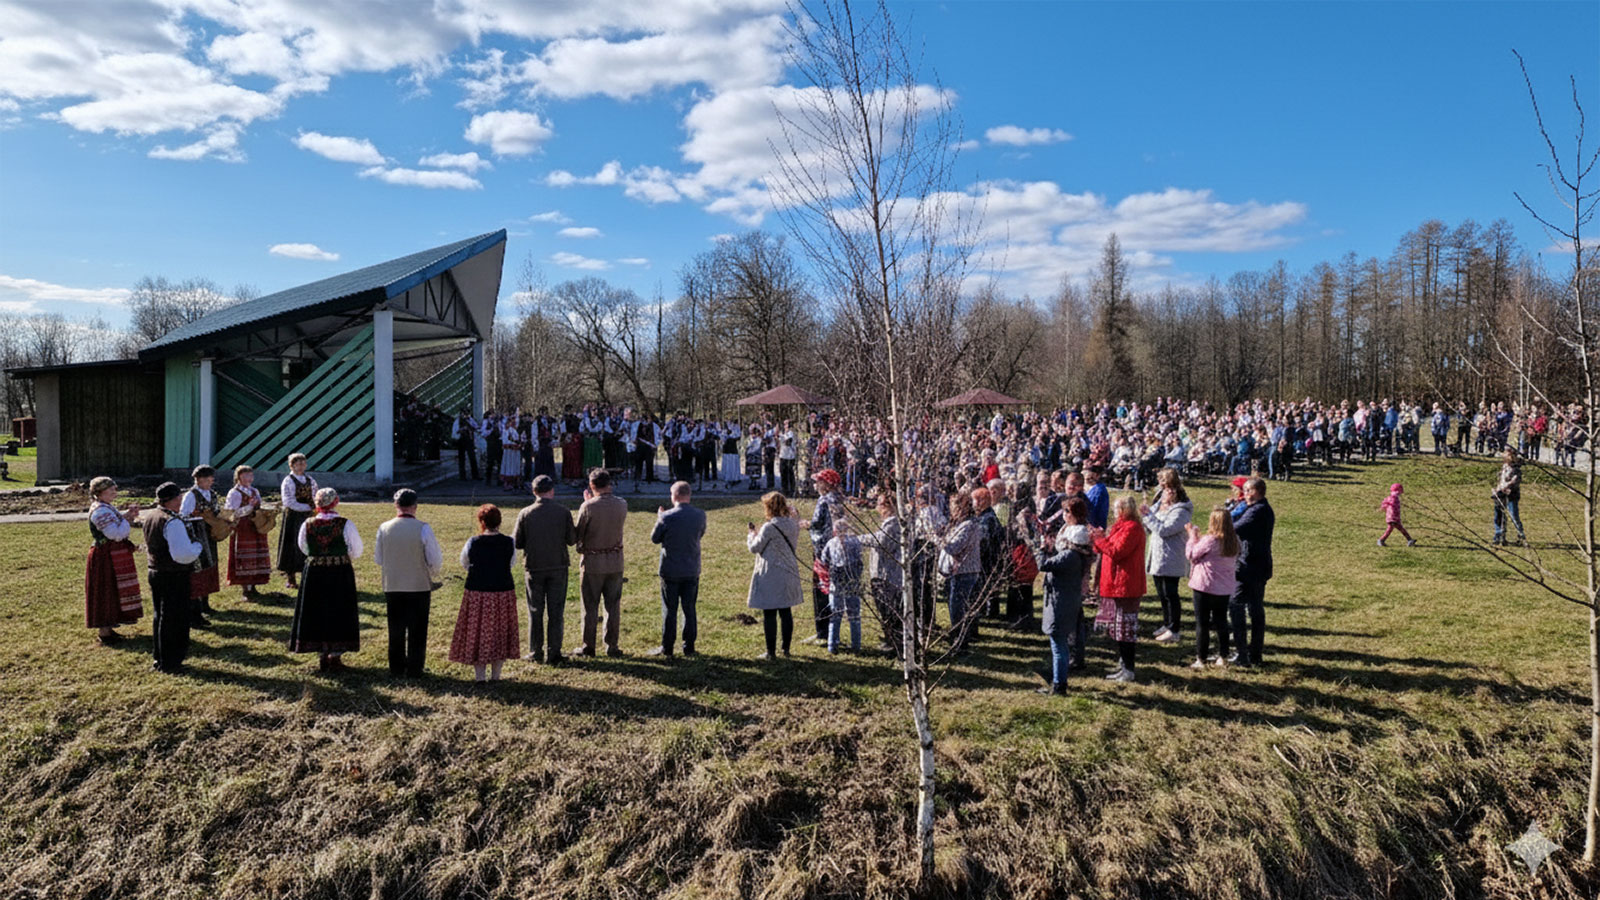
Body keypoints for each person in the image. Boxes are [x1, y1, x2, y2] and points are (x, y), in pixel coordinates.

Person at [287, 487, 364, 672]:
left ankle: (321, 653)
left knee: (317, 609)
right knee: (339, 609)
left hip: (314, 571)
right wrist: (339, 556)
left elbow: (303, 547)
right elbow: (356, 549)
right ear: (336, 502)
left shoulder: (308, 524)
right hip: (339, 570)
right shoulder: (345, 524)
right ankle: (335, 656)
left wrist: (319, 555)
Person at [374, 488, 443, 677]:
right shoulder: (423, 528)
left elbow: (379, 558)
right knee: (417, 629)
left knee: (395, 628)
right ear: (415, 506)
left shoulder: (384, 527)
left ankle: (396, 667)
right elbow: (435, 559)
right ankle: (415, 667)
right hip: (418, 585)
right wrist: (432, 572)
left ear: (395, 506)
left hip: (393, 583)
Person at [450, 504, 521, 682]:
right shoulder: (509, 542)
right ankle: (496, 676)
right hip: (502, 592)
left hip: (477, 592)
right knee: (500, 632)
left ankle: (480, 677)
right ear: (499, 521)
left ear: (481, 522)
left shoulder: (472, 542)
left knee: (477, 632)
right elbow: (511, 563)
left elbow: (465, 563)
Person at [512, 474, 577, 664]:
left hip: (534, 567)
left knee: (535, 610)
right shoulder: (563, 511)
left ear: (534, 492)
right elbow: (572, 540)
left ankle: (535, 651)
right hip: (558, 566)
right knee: (556, 611)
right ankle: (554, 652)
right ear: (552, 491)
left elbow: (517, 542)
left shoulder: (525, 513)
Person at [143, 482, 202, 673]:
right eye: (179, 497)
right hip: (173, 574)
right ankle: (171, 661)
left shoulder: (151, 515)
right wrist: (198, 547)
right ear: (174, 499)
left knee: (159, 616)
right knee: (174, 618)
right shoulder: (172, 521)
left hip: (156, 571)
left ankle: (159, 657)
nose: (181, 500)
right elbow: (182, 554)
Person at [1034, 499, 1090, 695]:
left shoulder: (1071, 554)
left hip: (1061, 600)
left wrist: (1041, 549)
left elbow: (1045, 565)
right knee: (1059, 643)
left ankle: (1059, 685)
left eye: (1067, 512)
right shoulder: (1073, 551)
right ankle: (1057, 678)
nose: (1064, 515)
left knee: (1058, 643)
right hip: (1064, 598)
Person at [1092, 495, 1147, 683]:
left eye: (1116, 509)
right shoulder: (1120, 528)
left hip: (1126, 584)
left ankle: (1129, 668)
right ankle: (1123, 664)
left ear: (1124, 510)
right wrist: (1099, 539)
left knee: (1125, 629)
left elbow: (1117, 552)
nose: (1114, 513)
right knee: (1118, 628)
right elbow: (1106, 548)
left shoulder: (1132, 528)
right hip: (1116, 582)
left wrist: (1099, 539)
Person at [649, 481, 707, 658]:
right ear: (689, 495)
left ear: (673, 496)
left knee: (670, 610)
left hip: (671, 568)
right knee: (689, 609)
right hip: (691, 567)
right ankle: (689, 647)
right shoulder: (700, 515)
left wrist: (660, 517)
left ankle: (667, 648)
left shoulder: (666, 517)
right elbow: (700, 534)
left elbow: (655, 538)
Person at [574, 467, 628, 657]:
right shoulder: (622, 504)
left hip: (593, 563)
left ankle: (588, 646)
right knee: (613, 606)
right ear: (610, 484)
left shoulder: (588, 507)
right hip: (615, 562)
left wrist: (587, 503)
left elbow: (577, 534)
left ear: (591, 485)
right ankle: (611, 645)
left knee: (590, 606)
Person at [85, 476, 142, 645]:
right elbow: (115, 534)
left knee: (113, 590)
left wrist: (128, 516)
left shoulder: (105, 507)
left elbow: (116, 526)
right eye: (111, 491)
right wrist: (126, 519)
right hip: (104, 556)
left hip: (110, 555)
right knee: (105, 590)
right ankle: (104, 631)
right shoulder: (100, 511)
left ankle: (109, 628)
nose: (114, 493)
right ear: (100, 492)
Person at [747, 491, 804, 659]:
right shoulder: (793, 524)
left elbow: (755, 548)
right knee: (786, 611)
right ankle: (785, 649)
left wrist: (751, 536)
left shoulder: (769, 527)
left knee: (770, 612)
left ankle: (771, 652)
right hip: (788, 570)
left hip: (771, 571)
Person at [1142, 468, 1193, 645]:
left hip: (1171, 556)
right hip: (1157, 554)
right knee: (1161, 593)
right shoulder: (1160, 504)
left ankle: (1175, 628)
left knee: (1171, 593)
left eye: (1169, 490)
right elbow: (1150, 519)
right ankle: (1166, 624)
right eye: (1164, 490)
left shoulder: (1181, 510)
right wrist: (1148, 513)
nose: (1165, 492)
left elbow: (1165, 530)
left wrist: (1148, 516)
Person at [1229, 477, 1275, 668]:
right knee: (1254, 608)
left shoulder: (1258, 511)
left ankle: (1245, 653)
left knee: (1238, 605)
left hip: (1251, 566)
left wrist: (1225, 518)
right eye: (1245, 490)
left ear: (1258, 491)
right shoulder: (1255, 508)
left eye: (1248, 491)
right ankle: (1252, 653)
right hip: (1254, 563)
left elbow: (1235, 528)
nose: (1245, 494)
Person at [1184, 506, 1238, 669]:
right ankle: (1223, 656)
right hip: (1224, 587)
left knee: (1202, 623)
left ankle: (1201, 658)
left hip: (1205, 585)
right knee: (1221, 621)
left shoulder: (1210, 540)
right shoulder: (1234, 541)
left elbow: (1192, 554)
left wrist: (1192, 536)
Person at [859, 492, 904, 657]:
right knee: (885, 611)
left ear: (887, 506)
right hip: (884, 573)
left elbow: (881, 541)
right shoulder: (889, 523)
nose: (876, 507)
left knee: (890, 611)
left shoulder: (892, 524)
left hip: (888, 575)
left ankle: (897, 646)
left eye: (879, 503)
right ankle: (890, 640)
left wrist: (858, 539)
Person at [938, 490, 982, 654]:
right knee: (956, 607)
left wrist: (937, 538)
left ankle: (961, 643)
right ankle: (958, 636)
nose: (952, 511)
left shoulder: (969, 525)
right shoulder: (959, 524)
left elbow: (953, 547)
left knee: (958, 608)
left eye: (954, 508)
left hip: (965, 571)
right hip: (958, 571)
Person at [805, 469, 845, 644]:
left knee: (821, 590)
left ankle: (822, 632)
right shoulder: (839, 500)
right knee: (832, 590)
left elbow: (816, 525)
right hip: (837, 549)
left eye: (819, 481)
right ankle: (831, 631)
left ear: (827, 484)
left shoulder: (823, 501)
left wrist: (805, 524)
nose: (816, 484)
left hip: (822, 551)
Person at [179, 465, 223, 625]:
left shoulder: (211, 494)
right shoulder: (191, 495)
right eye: (208, 479)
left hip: (210, 535)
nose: (211, 481)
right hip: (198, 535)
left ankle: (206, 601)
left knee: (210, 565)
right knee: (199, 567)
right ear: (199, 480)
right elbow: (184, 515)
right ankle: (197, 603)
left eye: (211, 479)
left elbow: (217, 511)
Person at [224, 465, 271, 599]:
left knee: (256, 554)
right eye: (245, 475)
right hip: (242, 527)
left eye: (250, 475)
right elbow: (232, 512)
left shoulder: (254, 490)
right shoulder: (234, 493)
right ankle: (245, 588)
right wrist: (249, 507)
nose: (248, 478)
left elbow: (259, 506)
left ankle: (254, 585)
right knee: (244, 554)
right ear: (238, 477)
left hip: (256, 525)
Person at [819, 520, 865, 653]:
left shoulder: (831, 543)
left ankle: (832, 645)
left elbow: (824, 560)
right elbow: (859, 559)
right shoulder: (855, 541)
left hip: (836, 581)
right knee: (854, 614)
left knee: (835, 614)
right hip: (852, 581)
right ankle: (856, 645)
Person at [278, 454, 317, 590]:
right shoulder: (288, 481)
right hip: (293, 517)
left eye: (303, 464)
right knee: (292, 545)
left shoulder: (310, 479)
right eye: (298, 464)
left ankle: (308, 576)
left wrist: (315, 506)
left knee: (308, 545)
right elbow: (288, 501)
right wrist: (306, 507)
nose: (301, 467)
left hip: (308, 516)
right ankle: (291, 578)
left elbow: (315, 495)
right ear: (292, 465)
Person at [1492, 449, 1526, 546]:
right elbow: (1501, 480)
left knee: (1513, 515)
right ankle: (1499, 535)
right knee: (1499, 515)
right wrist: (1497, 488)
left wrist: (1508, 487)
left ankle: (1521, 535)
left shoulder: (1516, 469)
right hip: (1500, 494)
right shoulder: (1504, 467)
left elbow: (1515, 481)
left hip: (1512, 495)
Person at [1377, 483, 1415, 547]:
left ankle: (1409, 540)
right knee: (1392, 530)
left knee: (1399, 529)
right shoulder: (1393, 498)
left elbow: (1386, 503)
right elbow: (1390, 505)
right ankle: (1381, 540)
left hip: (1394, 518)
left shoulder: (1392, 498)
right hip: (1393, 518)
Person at [452, 409, 480, 480]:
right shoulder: (457, 421)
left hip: (469, 440)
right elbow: (455, 432)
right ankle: (462, 476)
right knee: (462, 458)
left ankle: (475, 475)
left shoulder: (470, 420)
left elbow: (476, 426)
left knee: (472, 457)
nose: (465, 415)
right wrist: (462, 429)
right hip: (461, 440)